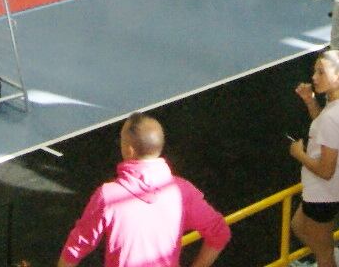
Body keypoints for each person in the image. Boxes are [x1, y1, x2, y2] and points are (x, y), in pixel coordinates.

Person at [58, 111, 230, 267]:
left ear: (129, 150)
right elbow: (219, 232)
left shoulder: (108, 196)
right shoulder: (182, 191)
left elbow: (76, 246)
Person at [290, 48, 339, 267]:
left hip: (324, 194)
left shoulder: (333, 117)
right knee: (298, 225)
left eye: (321, 73)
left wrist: (299, 154)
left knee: (324, 255)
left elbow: (325, 170)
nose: (314, 77)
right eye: (315, 71)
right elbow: (328, 130)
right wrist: (311, 102)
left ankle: (334, 260)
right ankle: (335, 258)